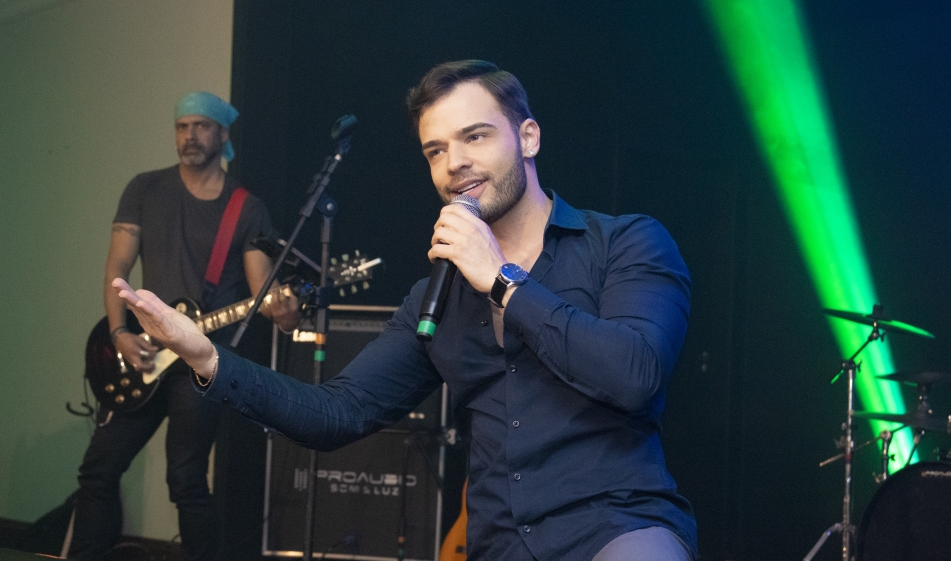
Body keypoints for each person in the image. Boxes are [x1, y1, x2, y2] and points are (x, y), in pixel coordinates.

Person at [113, 61, 696, 560]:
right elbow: (337, 413)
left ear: (528, 137)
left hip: (617, 529)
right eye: (436, 150)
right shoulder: (434, 300)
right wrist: (206, 357)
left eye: (475, 137)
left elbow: (635, 373)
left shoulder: (625, 245)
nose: (454, 164)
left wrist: (501, 281)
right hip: (499, 545)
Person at [71, 92, 299, 561]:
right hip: (142, 352)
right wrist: (119, 334)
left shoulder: (245, 207)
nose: (190, 136)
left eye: (201, 126)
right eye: (182, 126)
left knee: (187, 479)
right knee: (98, 469)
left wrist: (283, 309)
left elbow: (262, 290)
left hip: (200, 361)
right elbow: (117, 267)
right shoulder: (144, 189)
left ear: (223, 133)